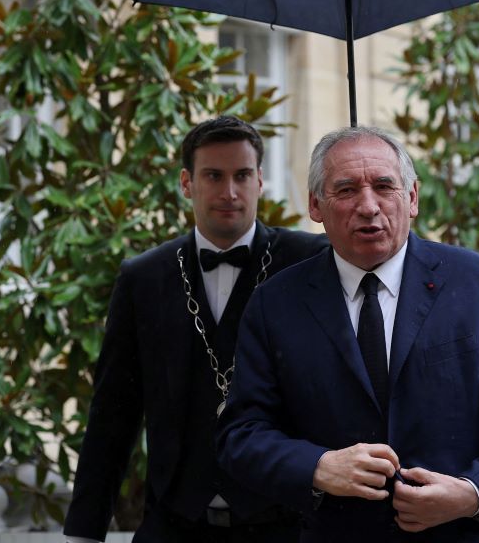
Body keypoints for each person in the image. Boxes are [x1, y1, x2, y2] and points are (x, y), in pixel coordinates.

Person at [217, 126, 479, 542]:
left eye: (383, 186)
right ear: (315, 205)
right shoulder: (276, 303)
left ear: (412, 198)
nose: (368, 206)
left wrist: (472, 493)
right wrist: (318, 467)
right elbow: (241, 435)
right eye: (346, 190)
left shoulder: (477, 283)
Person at [63, 116, 328, 543]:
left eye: (242, 175)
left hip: (285, 527)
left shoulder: (312, 262)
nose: (230, 192)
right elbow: (113, 413)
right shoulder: (143, 278)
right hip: (173, 526)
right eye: (213, 176)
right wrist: (84, 532)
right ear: (187, 183)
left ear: (260, 181)